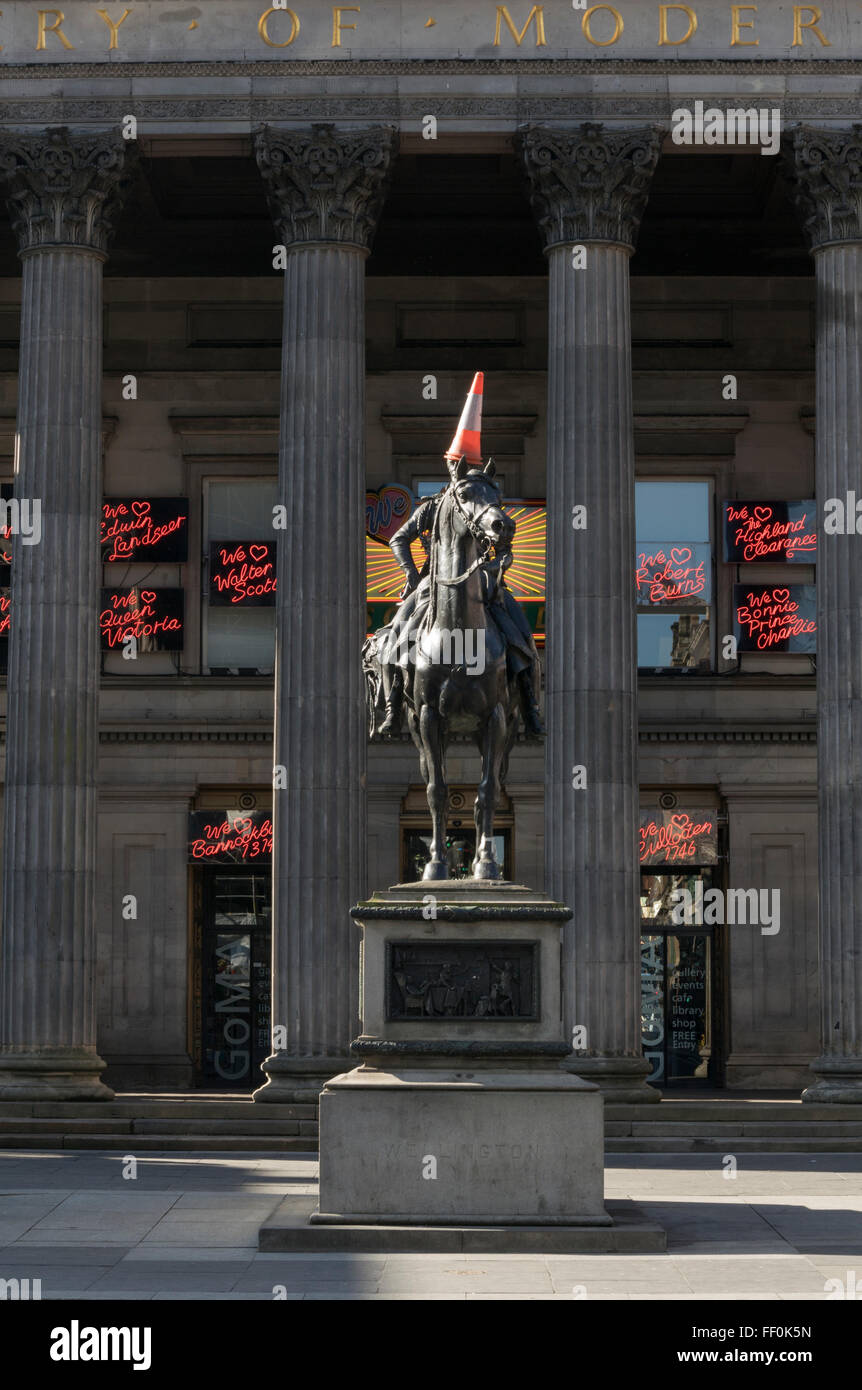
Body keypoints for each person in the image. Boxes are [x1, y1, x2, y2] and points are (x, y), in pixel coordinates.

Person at [377, 372, 544, 738]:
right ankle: (390, 706)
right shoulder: (432, 507)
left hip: (482, 583)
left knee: (519, 633)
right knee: (396, 634)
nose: (463, 472)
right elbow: (399, 539)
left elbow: (504, 545)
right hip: (432, 584)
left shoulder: (484, 503)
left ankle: (529, 704)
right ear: (451, 471)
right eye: (460, 468)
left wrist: (500, 559)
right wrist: (409, 574)